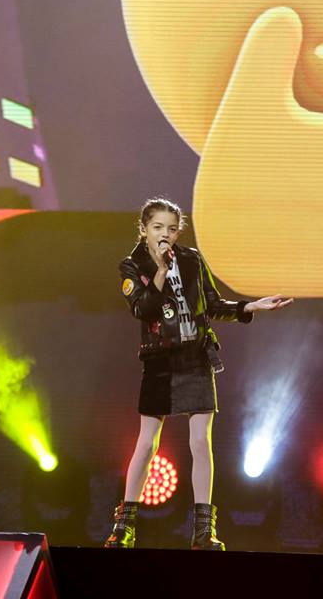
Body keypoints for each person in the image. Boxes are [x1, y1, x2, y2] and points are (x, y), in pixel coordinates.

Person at [105, 197, 293, 550]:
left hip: (196, 356)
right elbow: (143, 309)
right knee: (147, 443)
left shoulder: (191, 260)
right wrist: (160, 271)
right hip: (160, 360)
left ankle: (204, 531)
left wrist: (249, 306)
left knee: (200, 442)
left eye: (171, 228)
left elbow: (212, 304)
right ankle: (124, 526)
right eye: (157, 227)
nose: (165, 234)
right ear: (143, 229)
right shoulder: (132, 265)